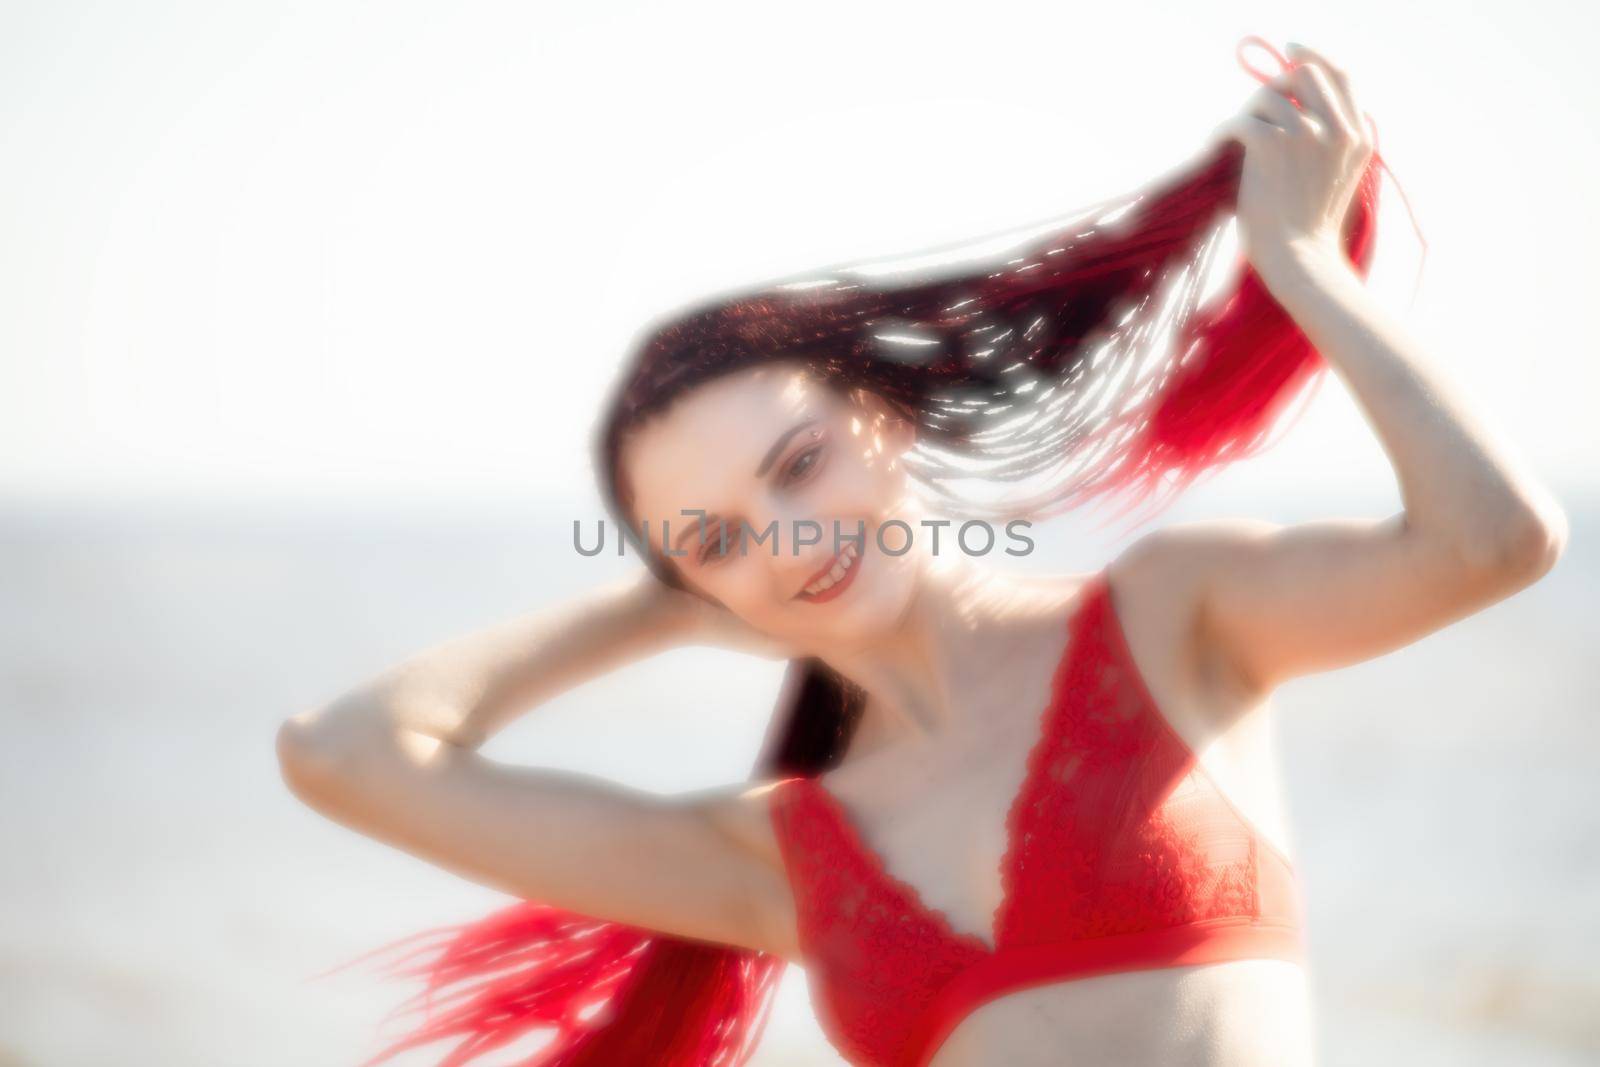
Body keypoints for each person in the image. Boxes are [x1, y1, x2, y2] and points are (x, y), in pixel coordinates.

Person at [277, 40, 1567, 1067]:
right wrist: (662, 601)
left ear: (882, 423)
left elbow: (1494, 541)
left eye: (800, 466)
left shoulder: (1174, 615)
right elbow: (341, 758)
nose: (791, 537)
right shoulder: (777, 860)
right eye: (722, 536)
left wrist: (1293, 263)